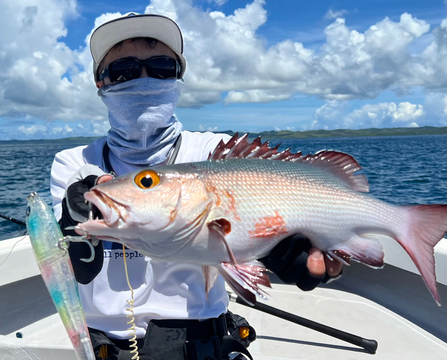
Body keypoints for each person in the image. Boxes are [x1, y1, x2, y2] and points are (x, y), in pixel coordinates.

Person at [50, 12, 342, 360]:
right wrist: (75, 229)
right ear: (101, 83)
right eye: (124, 71)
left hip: (204, 344)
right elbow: (77, 271)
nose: (143, 79)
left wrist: (281, 247)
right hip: (108, 347)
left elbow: (265, 213)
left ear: (179, 79)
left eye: (161, 68)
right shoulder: (73, 163)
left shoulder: (214, 155)